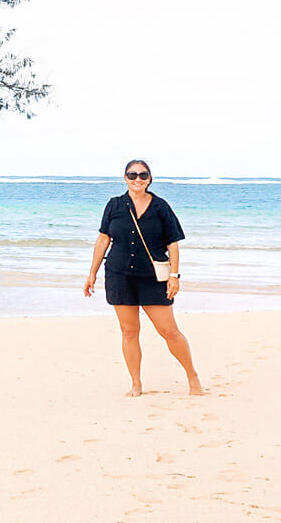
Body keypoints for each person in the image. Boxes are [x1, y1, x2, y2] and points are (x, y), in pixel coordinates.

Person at [83, 159, 205, 396]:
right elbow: (103, 240)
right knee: (129, 331)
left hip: (152, 278)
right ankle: (136, 383)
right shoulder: (114, 205)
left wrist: (174, 276)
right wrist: (92, 274)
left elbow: (173, 244)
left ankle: (192, 377)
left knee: (168, 330)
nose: (137, 179)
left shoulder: (160, 207)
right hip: (119, 275)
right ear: (125, 178)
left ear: (150, 178)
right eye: (132, 174)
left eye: (142, 175)